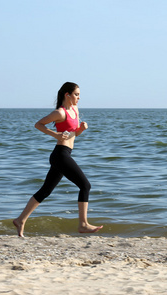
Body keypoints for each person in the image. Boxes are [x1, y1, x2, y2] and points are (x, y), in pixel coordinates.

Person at [13, 82, 103, 237]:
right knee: (85, 185)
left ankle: (20, 219)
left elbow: (74, 134)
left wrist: (80, 129)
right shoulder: (60, 113)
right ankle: (83, 224)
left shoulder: (75, 109)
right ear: (66, 95)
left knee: (45, 190)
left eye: (79, 95)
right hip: (60, 155)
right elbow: (38, 124)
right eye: (76, 94)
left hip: (65, 154)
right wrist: (55, 135)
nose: (78, 98)